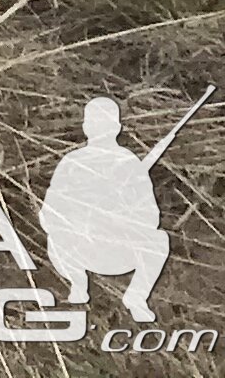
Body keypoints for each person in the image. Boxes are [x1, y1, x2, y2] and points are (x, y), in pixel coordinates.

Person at [42, 98, 172, 322]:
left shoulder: (129, 163)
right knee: (56, 235)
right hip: (78, 249)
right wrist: (82, 217)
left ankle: (136, 297)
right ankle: (78, 283)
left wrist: (120, 214)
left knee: (158, 240)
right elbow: (49, 214)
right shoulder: (72, 162)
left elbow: (151, 217)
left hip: (118, 249)